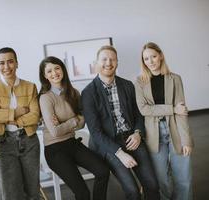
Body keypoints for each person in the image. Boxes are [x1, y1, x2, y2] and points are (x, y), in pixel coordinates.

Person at [81, 45, 160, 200]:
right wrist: (119, 153)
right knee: (133, 191)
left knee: (152, 185)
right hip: (109, 145)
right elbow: (96, 133)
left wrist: (138, 133)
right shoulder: (88, 93)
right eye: (104, 59)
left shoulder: (127, 85)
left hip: (132, 138)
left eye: (112, 59)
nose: (108, 63)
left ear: (117, 62)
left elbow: (138, 114)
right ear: (97, 63)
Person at [38, 56, 109, 200]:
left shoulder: (74, 93)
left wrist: (68, 122)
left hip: (72, 143)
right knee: (82, 193)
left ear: (62, 69)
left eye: (57, 68)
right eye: (49, 71)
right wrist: (74, 120)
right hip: (55, 150)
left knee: (103, 171)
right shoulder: (46, 98)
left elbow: (83, 123)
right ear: (45, 76)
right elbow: (55, 131)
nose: (54, 73)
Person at [135, 42, 193, 200]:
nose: (151, 61)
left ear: (160, 56)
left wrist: (186, 140)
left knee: (183, 179)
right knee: (162, 179)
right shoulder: (139, 81)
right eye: (146, 59)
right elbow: (144, 109)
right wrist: (172, 109)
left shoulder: (175, 79)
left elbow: (182, 111)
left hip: (176, 129)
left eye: (153, 56)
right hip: (154, 134)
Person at [0, 47, 41, 200]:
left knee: (33, 191)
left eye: (10, 62)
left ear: (17, 63)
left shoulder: (30, 86)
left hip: (29, 141)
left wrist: (6, 116)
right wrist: (17, 112)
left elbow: (35, 116)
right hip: (4, 142)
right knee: (10, 194)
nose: (6, 67)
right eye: (2, 63)